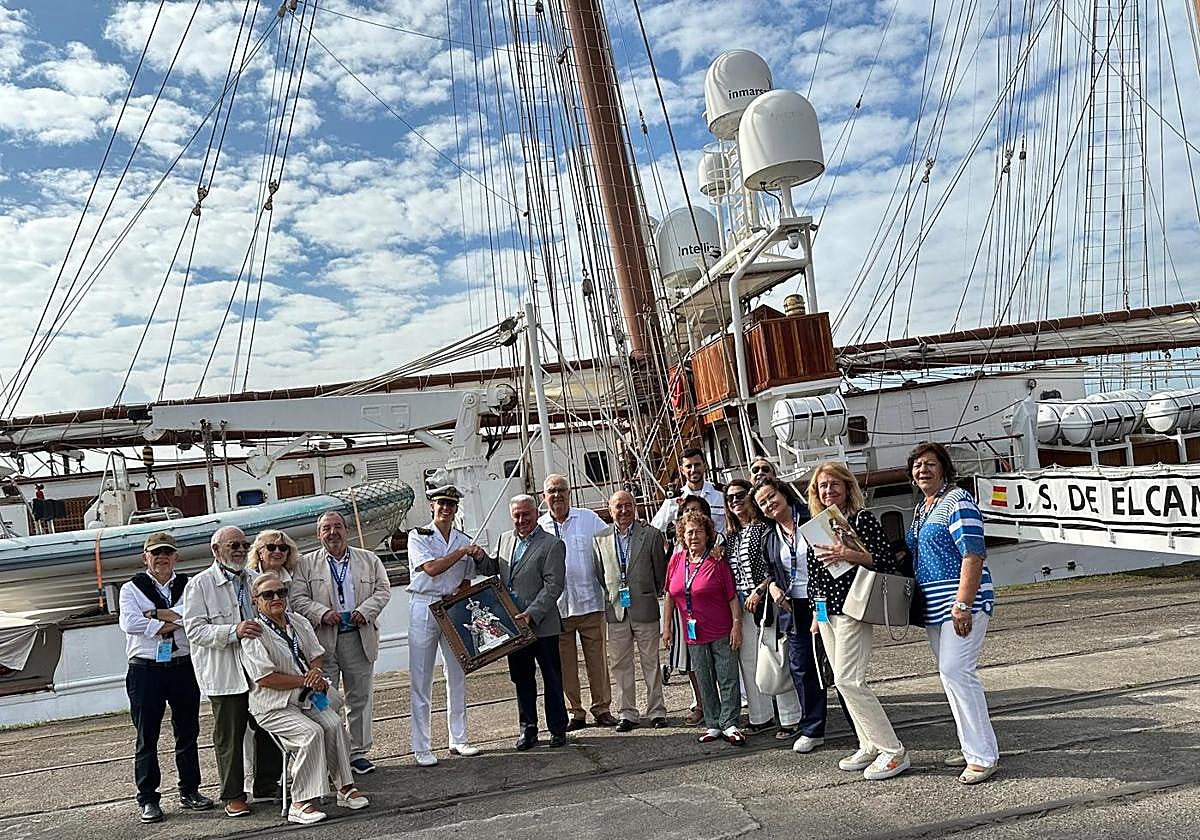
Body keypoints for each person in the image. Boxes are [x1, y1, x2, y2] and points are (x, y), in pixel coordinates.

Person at [805, 461, 910, 780]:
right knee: (840, 681)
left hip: (855, 608)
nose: (828, 491)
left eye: (834, 484)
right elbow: (814, 574)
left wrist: (850, 555)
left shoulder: (861, 519)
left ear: (848, 487)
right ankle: (869, 743)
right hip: (827, 612)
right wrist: (815, 612)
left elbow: (885, 562)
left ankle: (893, 749)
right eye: (822, 486)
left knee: (851, 680)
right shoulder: (819, 523)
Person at [240, 573, 369, 825]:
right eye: (268, 595)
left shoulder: (298, 621)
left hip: (306, 696)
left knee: (332, 723)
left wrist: (316, 672)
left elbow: (315, 654)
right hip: (273, 706)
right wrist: (305, 680)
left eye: (281, 593)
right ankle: (299, 803)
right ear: (256, 601)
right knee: (311, 732)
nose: (276, 598)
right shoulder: (254, 631)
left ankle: (344, 787)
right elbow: (265, 678)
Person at [907, 441, 999, 784]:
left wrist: (963, 604)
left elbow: (973, 554)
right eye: (917, 466)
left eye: (930, 464)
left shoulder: (957, 502)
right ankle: (972, 747)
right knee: (950, 677)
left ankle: (982, 755)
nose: (923, 470)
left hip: (961, 604)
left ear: (944, 467)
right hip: (933, 606)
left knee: (957, 671)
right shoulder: (922, 508)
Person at [182, 526, 282, 817]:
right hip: (224, 674)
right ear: (216, 550)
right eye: (232, 545)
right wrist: (232, 631)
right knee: (230, 737)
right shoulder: (199, 585)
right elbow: (195, 630)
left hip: (258, 670)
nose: (239, 549)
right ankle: (233, 794)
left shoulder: (254, 579)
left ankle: (265, 784)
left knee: (268, 725)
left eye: (243, 544)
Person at [119, 532, 212, 823]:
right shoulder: (130, 589)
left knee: (188, 732)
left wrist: (155, 614)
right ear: (145, 557)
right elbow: (130, 623)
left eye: (167, 553)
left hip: (183, 666)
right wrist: (175, 618)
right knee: (147, 736)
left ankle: (190, 790)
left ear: (176, 556)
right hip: (146, 669)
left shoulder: (189, 585)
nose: (162, 558)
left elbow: (195, 616)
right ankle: (147, 798)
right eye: (155, 553)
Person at [290, 511, 392, 775]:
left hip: (359, 637)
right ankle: (331, 751)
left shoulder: (369, 559)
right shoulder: (305, 564)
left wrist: (366, 611)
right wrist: (321, 613)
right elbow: (297, 598)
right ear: (318, 534)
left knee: (360, 697)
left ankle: (357, 752)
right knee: (324, 697)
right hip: (323, 641)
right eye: (326, 528)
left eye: (337, 527)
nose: (332, 532)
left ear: (346, 530)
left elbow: (383, 590)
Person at [476, 494, 569, 750]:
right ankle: (528, 730)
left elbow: (554, 585)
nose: (521, 520)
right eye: (516, 515)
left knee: (552, 678)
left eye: (525, 514)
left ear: (536, 514)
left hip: (542, 624)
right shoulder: (505, 539)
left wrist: (532, 613)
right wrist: (478, 557)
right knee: (522, 679)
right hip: (513, 627)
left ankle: (558, 728)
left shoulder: (552, 544)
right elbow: (494, 567)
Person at [405, 485, 485, 767]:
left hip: (452, 608)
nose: (446, 509)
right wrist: (463, 551)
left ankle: (459, 738)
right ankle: (422, 746)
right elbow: (431, 568)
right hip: (424, 605)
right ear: (432, 506)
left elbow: (466, 577)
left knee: (457, 673)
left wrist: (460, 591)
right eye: (441, 504)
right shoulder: (419, 536)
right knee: (421, 679)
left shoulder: (463, 538)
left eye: (451, 504)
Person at [723, 479, 804, 740]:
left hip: (766, 601)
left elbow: (774, 566)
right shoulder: (732, 536)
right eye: (730, 498)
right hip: (742, 604)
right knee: (750, 662)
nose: (735, 501)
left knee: (776, 657)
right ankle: (761, 716)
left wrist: (761, 590)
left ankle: (791, 718)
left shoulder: (765, 528)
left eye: (739, 496)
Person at [752, 475, 827, 754]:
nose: (769, 504)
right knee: (802, 666)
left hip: (822, 600)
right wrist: (771, 586)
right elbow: (770, 569)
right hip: (792, 607)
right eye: (762, 503)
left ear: (783, 493)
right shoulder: (770, 534)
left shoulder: (810, 518)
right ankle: (812, 728)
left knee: (837, 665)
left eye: (771, 497)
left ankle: (861, 726)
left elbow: (831, 558)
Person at [539, 474, 616, 730]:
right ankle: (576, 712)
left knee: (598, 662)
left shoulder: (588, 519)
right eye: (552, 491)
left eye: (561, 490)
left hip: (590, 601)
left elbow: (609, 549)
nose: (557, 495)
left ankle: (602, 708)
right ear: (544, 496)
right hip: (558, 609)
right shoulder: (540, 527)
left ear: (569, 492)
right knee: (565, 665)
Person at [662, 511, 743, 745]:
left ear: (708, 535)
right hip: (692, 633)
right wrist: (666, 627)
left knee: (727, 678)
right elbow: (669, 595)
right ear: (682, 537)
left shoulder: (716, 561)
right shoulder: (677, 560)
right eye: (689, 532)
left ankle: (731, 723)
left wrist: (736, 626)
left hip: (720, 629)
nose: (694, 536)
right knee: (704, 679)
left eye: (699, 531)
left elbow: (731, 597)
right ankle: (713, 723)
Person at [592, 490, 668, 732]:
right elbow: (600, 575)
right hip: (616, 612)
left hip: (645, 607)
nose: (623, 511)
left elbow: (660, 574)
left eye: (628, 506)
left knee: (651, 663)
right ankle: (627, 712)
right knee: (620, 665)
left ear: (635, 507)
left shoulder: (652, 535)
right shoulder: (599, 539)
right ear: (610, 510)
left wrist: (646, 593)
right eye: (618, 507)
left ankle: (656, 711)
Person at [652, 447, 725, 534]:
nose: (693, 470)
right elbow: (655, 528)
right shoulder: (675, 499)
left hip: (719, 546)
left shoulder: (720, 494)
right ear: (682, 470)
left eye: (697, 465)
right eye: (688, 466)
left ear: (705, 466)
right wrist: (666, 545)